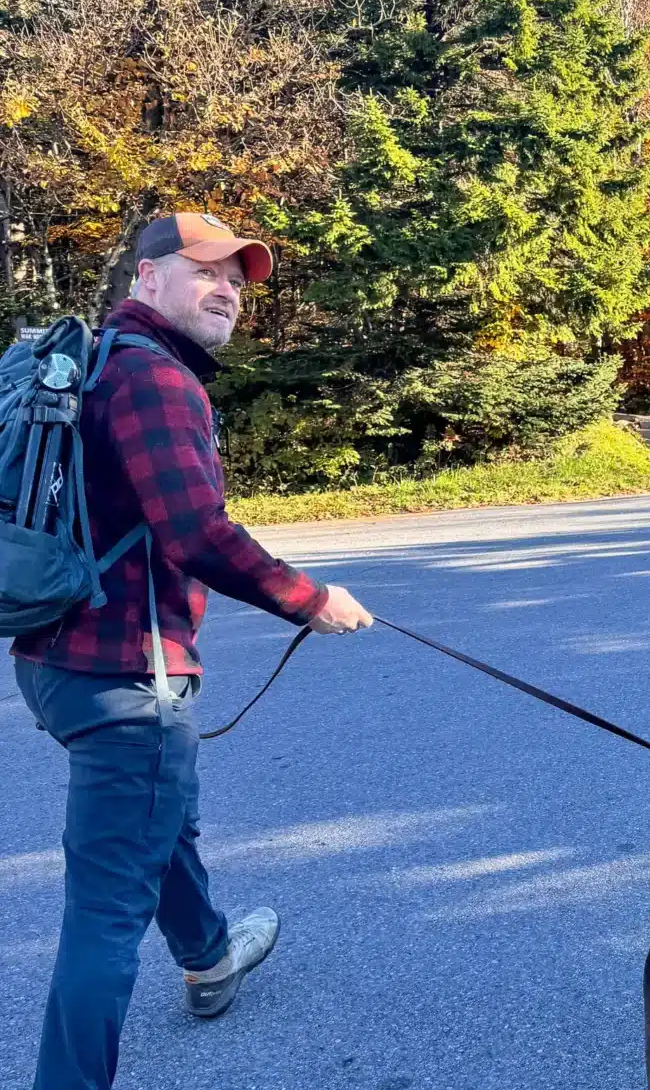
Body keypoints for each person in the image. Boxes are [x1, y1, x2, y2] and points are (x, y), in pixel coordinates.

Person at [11, 212, 374, 1090]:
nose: (229, 291)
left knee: (151, 814)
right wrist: (310, 598)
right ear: (145, 278)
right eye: (206, 271)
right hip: (129, 673)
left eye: (240, 281)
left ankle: (210, 960)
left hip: (53, 663)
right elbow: (198, 534)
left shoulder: (91, 362)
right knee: (104, 911)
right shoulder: (157, 380)